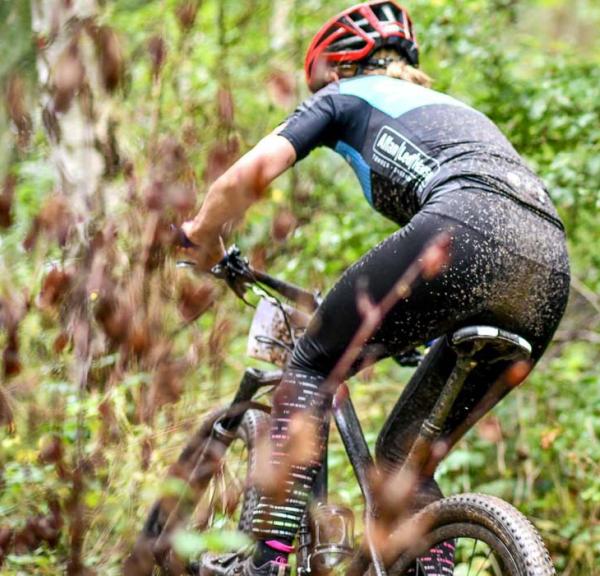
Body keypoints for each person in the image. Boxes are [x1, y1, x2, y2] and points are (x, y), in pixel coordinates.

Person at [181, 2, 570, 575]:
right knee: (402, 467)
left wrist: (201, 236)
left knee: (312, 365)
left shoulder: (344, 96)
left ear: (338, 68)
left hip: (466, 225)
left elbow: (247, 176)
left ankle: (264, 561)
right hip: (548, 266)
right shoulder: (452, 114)